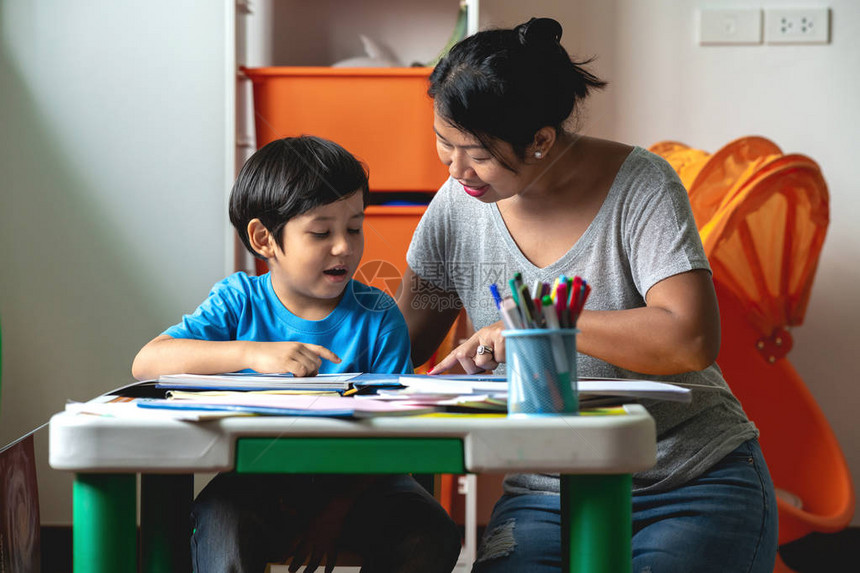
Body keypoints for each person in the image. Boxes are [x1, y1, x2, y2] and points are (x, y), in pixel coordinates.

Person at [397, 17, 777, 573]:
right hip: (545, 491)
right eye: (443, 143)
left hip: (689, 478)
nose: (456, 170)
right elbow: (398, 342)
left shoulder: (642, 184)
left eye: (475, 153)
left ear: (541, 140)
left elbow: (689, 337)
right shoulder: (457, 206)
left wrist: (534, 325)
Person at [133, 135, 461, 573]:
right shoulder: (238, 301)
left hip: (364, 490)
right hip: (257, 483)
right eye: (321, 232)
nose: (344, 246)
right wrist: (252, 353)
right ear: (264, 238)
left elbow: (394, 437)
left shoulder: (378, 316)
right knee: (219, 525)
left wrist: (336, 510)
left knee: (430, 534)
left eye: (355, 227)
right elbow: (149, 361)